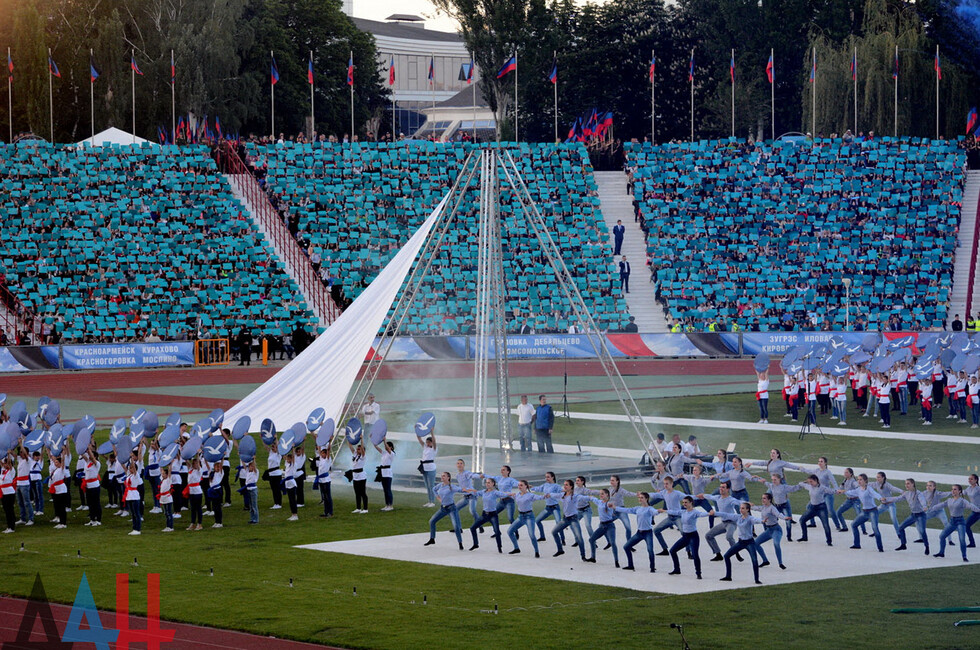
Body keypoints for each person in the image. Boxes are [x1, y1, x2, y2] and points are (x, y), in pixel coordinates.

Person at [659, 496, 713, 579]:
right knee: (672, 551)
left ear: (691, 503)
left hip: (693, 536)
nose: (684, 504)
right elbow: (674, 512)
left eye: (686, 502)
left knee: (695, 554)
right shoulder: (683, 512)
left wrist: (709, 513)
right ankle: (677, 569)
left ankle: (698, 573)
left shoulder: (695, 512)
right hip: (685, 536)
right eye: (683, 502)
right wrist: (664, 511)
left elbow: (701, 514)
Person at [714, 503, 763, 584]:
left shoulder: (750, 518)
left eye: (743, 508)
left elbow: (756, 520)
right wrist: (715, 513)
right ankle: (728, 576)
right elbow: (726, 514)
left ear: (748, 509)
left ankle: (756, 579)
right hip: (741, 542)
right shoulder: (738, 517)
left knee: (754, 560)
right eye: (740, 508)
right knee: (726, 556)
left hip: (749, 543)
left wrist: (762, 521)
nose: (741, 510)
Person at [930, 484, 980, 561]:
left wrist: (978, 510)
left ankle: (964, 556)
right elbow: (941, 505)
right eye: (952, 489)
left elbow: (971, 506)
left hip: (960, 522)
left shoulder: (962, 501)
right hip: (952, 521)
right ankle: (941, 553)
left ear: (960, 491)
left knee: (962, 540)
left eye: (955, 489)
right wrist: (931, 508)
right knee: (942, 536)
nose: (953, 491)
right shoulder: (949, 500)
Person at [837, 473, 884, 552]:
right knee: (854, 525)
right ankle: (857, 544)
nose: (859, 481)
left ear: (865, 481)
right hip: (865, 512)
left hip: (873, 511)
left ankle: (880, 548)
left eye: (860, 479)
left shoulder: (869, 489)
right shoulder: (858, 490)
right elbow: (850, 492)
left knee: (875, 528)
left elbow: (875, 494)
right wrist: (843, 491)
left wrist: (880, 498)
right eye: (858, 479)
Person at [614, 492, 659, 572]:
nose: (640, 499)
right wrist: (615, 507)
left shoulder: (649, 509)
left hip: (647, 533)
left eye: (642, 498)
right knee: (626, 547)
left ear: (646, 499)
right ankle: (630, 565)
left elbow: (654, 512)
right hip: (639, 533)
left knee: (650, 550)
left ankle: (652, 567)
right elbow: (627, 510)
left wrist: (658, 511)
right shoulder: (638, 508)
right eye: (639, 498)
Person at [886, 478, 929, 554]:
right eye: (905, 484)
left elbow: (922, 500)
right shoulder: (906, 493)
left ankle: (927, 546)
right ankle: (903, 544)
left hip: (921, 515)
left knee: (922, 531)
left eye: (908, 483)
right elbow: (898, 498)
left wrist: (924, 506)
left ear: (913, 484)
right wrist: (887, 499)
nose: (906, 485)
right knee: (900, 528)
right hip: (913, 515)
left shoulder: (918, 493)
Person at [425, 472, 466, 550]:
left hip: (451, 509)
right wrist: (438, 498)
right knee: (432, 521)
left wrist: (467, 490)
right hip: (443, 509)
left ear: (448, 478)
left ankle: (460, 543)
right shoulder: (440, 485)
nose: (442, 477)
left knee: (456, 527)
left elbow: (460, 490)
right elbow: (434, 489)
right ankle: (432, 539)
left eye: (444, 476)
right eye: (442, 476)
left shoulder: (451, 487)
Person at [752, 493, 792, 570]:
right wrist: (749, 505)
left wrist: (784, 518)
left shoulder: (772, 508)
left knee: (776, 544)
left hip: (776, 530)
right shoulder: (763, 507)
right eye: (762, 498)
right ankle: (765, 560)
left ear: (769, 500)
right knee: (755, 543)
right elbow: (755, 508)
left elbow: (778, 514)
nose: (762, 500)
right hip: (768, 530)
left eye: (764, 498)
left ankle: (780, 563)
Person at [551, 480, 590, 560]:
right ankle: (560, 550)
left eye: (566, 485)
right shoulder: (563, 495)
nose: (564, 486)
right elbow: (555, 495)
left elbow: (583, 497)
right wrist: (548, 495)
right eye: (564, 485)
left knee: (579, 537)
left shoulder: (575, 496)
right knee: (554, 532)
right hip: (565, 519)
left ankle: (583, 556)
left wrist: (591, 498)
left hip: (573, 519)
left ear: (571, 487)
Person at [469, 478, 509, 553]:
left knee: (497, 532)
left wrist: (511, 494)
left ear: (493, 484)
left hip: (493, 515)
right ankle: (475, 544)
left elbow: (503, 494)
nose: (487, 484)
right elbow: (476, 493)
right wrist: (469, 490)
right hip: (484, 515)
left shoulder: (495, 492)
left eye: (489, 483)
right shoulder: (483, 492)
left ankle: (499, 547)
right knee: (472, 528)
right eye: (486, 483)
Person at [507, 480, 545, 557]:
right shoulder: (517, 494)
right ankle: (516, 548)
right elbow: (508, 494)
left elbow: (539, 497)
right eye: (518, 485)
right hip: (520, 517)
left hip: (529, 517)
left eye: (521, 485)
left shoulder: (530, 495)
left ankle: (537, 551)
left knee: (531, 535)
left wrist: (546, 496)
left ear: (526, 486)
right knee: (510, 531)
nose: (519, 487)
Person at [797, 475, 835, 546]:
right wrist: (806, 481)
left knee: (826, 525)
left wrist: (838, 491)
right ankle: (804, 537)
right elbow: (800, 483)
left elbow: (831, 491)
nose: (810, 483)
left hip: (821, 508)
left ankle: (829, 541)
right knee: (802, 520)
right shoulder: (809, 486)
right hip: (812, 508)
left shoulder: (822, 487)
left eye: (811, 481)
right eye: (809, 482)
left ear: (816, 480)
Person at [532, 472, 564, 543]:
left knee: (559, 523)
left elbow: (561, 494)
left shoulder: (556, 486)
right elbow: (538, 488)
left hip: (555, 507)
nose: (547, 478)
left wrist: (552, 495)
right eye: (546, 477)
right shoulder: (545, 485)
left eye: (548, 477)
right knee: (537, 520)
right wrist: (531, 487)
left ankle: (562, 539)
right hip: (548, 508)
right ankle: (542, 536)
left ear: (553, 477)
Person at [452, 459, 483, 526]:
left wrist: (479, 476)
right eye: (458, 463)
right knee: (455, 510)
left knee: (472, 511)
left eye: (461, 463)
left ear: (464, 465)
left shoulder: (466, 473)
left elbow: (472, 475)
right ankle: (458, 528)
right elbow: (461, 486)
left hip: (472, 495)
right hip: (465, 497)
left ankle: (479, 525)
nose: (459, 465)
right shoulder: (457, 475)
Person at [374, 439, 395, 511]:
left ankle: (390, 505)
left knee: (388, 489)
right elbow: (376, 447)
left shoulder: (391, 453)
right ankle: (387, 504)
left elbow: (387, 448)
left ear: (391, 447)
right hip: (383, 472)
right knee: (385, 490)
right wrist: (374, 440)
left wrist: (384, 440)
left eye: (388, 446)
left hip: (388, 473)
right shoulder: (384, 453)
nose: (386, 447)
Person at [15, 447, 34, 526]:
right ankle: (22, 518)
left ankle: (31, 518)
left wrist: (21, 444)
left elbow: (26, 455)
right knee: (20, 502)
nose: (21, 453)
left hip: (24, 484)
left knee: (27, 502)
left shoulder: (28, 460)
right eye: (20, 452)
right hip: (18, 483)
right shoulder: (20, 460)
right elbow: (14, 454)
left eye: (22, 452)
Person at [82, 449, 101, 527]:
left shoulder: (97, 464)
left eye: (91, 455)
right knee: (90, 503)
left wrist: (89, 449)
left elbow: (93, 458)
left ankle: (99, 520)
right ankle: (92, 519)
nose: (89, 456)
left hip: (94, 485)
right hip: (88, 485)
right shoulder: (87, 463)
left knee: (96, 503)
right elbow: (82, 455)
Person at [49, 455, 69, 529]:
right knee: (58, 506)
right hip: (57, 490)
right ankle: (60, 521)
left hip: (61, 490)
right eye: (55, 462)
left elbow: (63, 462)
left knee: (62, 507)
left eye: (57, 462)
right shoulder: (56, 470)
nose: (55, 463)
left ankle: (63, 523)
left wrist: (63, 454)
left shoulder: (61, 469)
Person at [123, 461, 143, 536]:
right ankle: (134, 528)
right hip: (129, 496)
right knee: (133, 514)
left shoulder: (136, 475)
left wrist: (132, 459)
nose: (129, 469)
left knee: (136, 513)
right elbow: (124, 468)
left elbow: (134, 469)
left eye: (131, 468)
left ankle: (138, 529)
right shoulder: (129, 475)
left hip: (134, 496)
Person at [418, 432, 437, 506]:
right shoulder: (425, 448)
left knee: (431, 485)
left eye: (429, 442)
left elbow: (434, 441)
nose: (427, 444)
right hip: (424, 468)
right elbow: (419, 440)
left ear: (432, 443)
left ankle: (432, 501)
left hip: (431, 468)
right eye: (427, 442)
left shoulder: (434, 449)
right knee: (427, 485)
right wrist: (417, 431)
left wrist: (432, 432)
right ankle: (429, 501)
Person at [349, 442, 368, 514]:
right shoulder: (355, 455)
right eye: (357, 449)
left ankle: (365, 508)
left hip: (361, 476)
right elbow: (351, 447)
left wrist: (361, 439)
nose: (357, 450)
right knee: (357, 492)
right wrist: (348, 438)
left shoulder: (363, 456)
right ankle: (358, 508)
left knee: (363, 492)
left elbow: (362, 450)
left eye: (359, 449)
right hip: (355, 475)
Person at [315, 446, 333, 518]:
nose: (322, 454)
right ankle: (326, 512)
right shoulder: (321, 459)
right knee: (324, 497)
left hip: (326, 480)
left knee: (328, 496)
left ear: (326, 454)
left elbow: (329, 450)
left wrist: (330, 441)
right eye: (321, 453)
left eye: (323, 453)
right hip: (321, 480)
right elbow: (319, 449)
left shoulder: (327, 459)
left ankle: (330, 512)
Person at [187, 458, 204, 531]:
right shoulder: (191, 470)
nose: (195, 465)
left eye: (196, 463)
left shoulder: (199, 471)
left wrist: (197, 455)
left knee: (198, 508)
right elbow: (187, 462)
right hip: (191, 491)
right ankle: (193, 523)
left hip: (197, 491)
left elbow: (198, 464)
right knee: (192, 508)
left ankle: (199, 523)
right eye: (193, 463)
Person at [266, 441, 283, 510]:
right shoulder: (271, 453)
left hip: (277, 474)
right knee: (273, 489)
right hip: (271, 474)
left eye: (274, 446)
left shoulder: (278, 454)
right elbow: (266, 446)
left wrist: (276, 438)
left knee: (277, 489)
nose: (272, 448)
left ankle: (279, 503)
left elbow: (279, 445)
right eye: (272, 446)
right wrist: (262, 438)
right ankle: (276, 503)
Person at [283, 451, 299, 521]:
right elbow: (283, 455)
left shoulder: (293, 464)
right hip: (287, 483)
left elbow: (293, 457)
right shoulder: (287, 464)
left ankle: (295, 515)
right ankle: (293, 514)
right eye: (287, 459)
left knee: (293, 500)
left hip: (292, 483)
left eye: (289, 459)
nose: (288, 460)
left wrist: (292, 448)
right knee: (290, 500)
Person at [0, 457, 15, 533]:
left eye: (7, 463)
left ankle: (11, 527)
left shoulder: (11, 471)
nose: (5, 465)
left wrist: (8, 454)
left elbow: (9, 463)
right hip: (3, 492)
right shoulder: (3, 471)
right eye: (5, 463)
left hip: (9, 492)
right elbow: (1, 463)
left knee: (10, 510)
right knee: (6, 510)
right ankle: (9, 526)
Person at [158, 466, 174, 532]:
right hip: (163, 498)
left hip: (167, 498)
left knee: (168, 513)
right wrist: (161, 464)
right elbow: (161, 469)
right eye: (162, 474)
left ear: (167, 475)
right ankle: (167, 526)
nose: (162, 475)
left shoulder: (168, 480)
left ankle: (170, 526)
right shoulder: (162, 479)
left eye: (164, 474)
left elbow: (170, 471)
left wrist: (169, 464)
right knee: (166, 513)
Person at [209, 462, 224, 528]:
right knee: (214, 507)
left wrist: (222, 457)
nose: (217, 468)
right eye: (216, 467)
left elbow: (221, 466)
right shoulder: (212, 474)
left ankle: (220, 522)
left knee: (218, 507)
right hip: (212, 490)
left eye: (219, 467)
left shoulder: (220, 473)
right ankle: (216, 521)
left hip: (217, 490)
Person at [244, 460, 259, 524]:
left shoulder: (255, 472)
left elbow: (255, 467)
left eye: (252, 466)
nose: (251, 467)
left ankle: (256, 519)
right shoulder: (247, 472)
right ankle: (252, 518)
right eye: (250, 466)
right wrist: (241, 458)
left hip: (253, 489)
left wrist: (254, 460)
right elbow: (244, 465)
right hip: (248, 489)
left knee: (254, 505)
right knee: (250, 505)